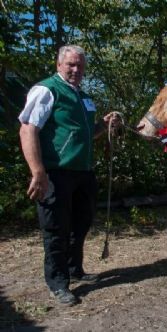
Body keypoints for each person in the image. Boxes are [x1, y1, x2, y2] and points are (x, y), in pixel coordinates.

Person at [18, 45, 120, 306]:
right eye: (71, 65)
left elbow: (86, 133)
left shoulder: (84, 97)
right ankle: (58, 282)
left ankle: (75, 269)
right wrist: (38, 171)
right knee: (56, 229)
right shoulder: (47, 90)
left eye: (80, 66)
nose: (76, 70)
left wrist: (103, 126)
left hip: (83, 173)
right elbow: (28, 129)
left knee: (81, 224)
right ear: (59, 65)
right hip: (56, 173)